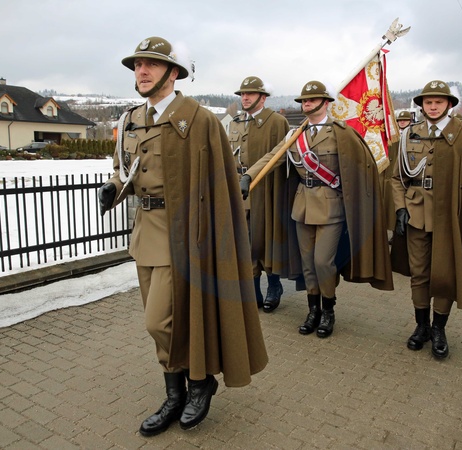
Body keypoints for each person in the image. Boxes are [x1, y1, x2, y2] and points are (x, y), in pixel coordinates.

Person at [97, 36, 268, 436]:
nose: (141, 71)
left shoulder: (197, 119)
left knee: (159, 321)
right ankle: (174, 395)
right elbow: (126, 167)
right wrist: (113, 186)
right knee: (162, 321)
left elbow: (220, 182)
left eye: (151, 65)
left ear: (173, 73)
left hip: (183, 235)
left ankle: (200, 381)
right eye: (137, 65)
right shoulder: (131, 119)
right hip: (146, 233)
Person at [240, 80, 393, 338]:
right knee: (308, 263)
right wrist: (249, 177)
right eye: (304, 101)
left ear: (326, 102)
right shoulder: (295, 134)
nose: (307, 104)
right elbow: (272, 157)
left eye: (312, 100)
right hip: (302, 205)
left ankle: (329, 309)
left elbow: (360, 169)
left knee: (323, 262)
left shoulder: (340, 132)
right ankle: (313, 310)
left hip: (332, 206)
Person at [391, 80, 462, 360]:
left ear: (449, 105)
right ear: (422, 105)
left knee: (445, 274)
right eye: (428, 102)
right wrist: (400, 208)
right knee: (419, 274)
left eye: (439, 102)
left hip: (451, 216)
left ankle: (439, 329)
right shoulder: (410, 135)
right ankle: (421, 326)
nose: (433, 107)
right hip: (417, 214)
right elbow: (397, 178)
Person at [228, 76, 290, 312]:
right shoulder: (236, 122)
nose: (244, 98)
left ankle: (274, 286)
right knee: (245, 242)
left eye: (250, 94)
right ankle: (253, 290)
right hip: (240, 190)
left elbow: (281, 157)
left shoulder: (276, 122)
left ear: (263, 98)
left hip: (266, 190)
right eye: (242, 94)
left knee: (267, 240)